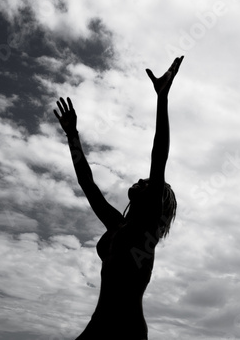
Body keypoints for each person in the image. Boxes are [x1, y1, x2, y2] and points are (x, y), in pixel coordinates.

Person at [53, 56, 183, 340]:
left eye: (147, 183)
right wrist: (72, 135)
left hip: (126, 332)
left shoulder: (146, 228)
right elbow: (87, 184)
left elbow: (159, 153)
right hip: (98, 326)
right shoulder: (118, 225)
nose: (139, 181)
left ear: (155, 198)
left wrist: (162, 98)